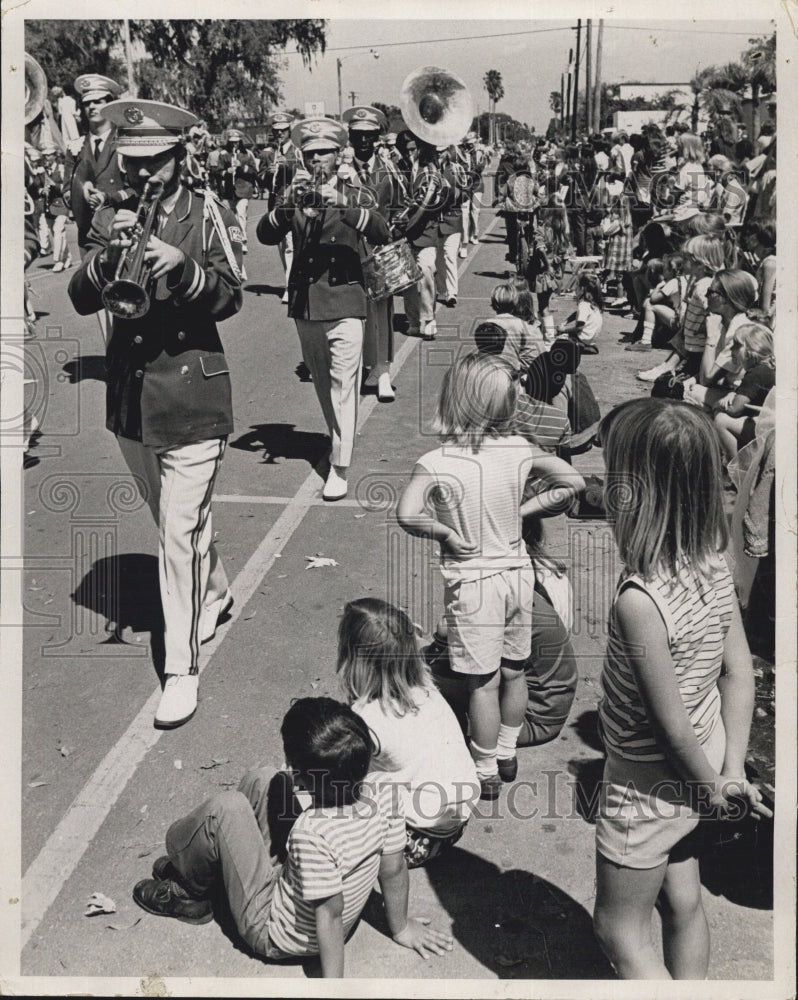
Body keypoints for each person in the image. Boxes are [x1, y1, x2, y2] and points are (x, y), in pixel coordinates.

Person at [68, 99, 243, 728]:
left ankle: (181, 670)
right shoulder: (114, 211)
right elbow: (79, 293)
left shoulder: (206, 214)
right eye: (133, 163)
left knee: (175, 535)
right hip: (131, 399)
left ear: (180, 154)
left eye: (156, 163)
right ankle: (217, 591)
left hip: (192, 396)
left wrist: (187, 269)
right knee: (176, 523)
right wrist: (104, 254)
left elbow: (232, 295)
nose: (143, 177)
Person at [591, 398, 770, 979]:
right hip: (711, 754)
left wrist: (711, 788)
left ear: (634, 494)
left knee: (619, 928)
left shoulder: (638, 602)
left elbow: (665, 723)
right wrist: (730, 773)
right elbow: (738, 672)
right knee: (682, 898)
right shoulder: (714, 560)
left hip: (648, 782)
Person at [132, 697, 453, 976]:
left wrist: (334, 989)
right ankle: (213, 867)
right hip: (305, 900)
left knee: (223, 809)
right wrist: (400, 927)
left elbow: (329, 914)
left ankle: (190, 890)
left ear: (301, 778)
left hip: (273, 930)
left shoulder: (311, 833)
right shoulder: (386, 790)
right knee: (265, 779)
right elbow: (393, 869)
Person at [396, 352, 583, 799]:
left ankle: (484, 769)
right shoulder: (519, 449)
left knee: (482, 681)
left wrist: (441, 531)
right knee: (514, 671)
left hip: (474, 582)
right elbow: (571, 482)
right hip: (517, 573)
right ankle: (505, 750)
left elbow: (406, 514)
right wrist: (524, 510)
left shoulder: (437, 461)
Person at [256, 117, 390, 501]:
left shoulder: (355, 190)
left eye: (324, 154)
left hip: (346, 299)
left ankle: (340, 466)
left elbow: (381, 230)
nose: (317, 162)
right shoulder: (294, 190)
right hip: (306, 303)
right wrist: (287, 206)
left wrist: (343, 204)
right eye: (311, 154)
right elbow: (266, 235)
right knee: (322, 382)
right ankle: (337, 439)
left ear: (337, 155)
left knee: (343, 386)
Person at [336, 598, 480, 868]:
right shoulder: (425, 686)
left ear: (353, 658)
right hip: (455, 820)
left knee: (332, 790)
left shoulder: (366, 717)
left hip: (416, 838)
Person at [342, 105, 403, 402]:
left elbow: (402, 204)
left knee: (382, 312)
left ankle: (383, 371)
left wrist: (396, 231)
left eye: (369, 135)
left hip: (379, 249)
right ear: (350, 138)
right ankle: (362, 368)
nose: (364, 141)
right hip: (347, 250)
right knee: (353, 313)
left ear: (378, 137)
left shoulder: (389, 169)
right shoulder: (340, 172)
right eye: (358, 135)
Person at [637, 234, 724, 382]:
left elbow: (714, 313)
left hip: (698, 347)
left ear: (700, 264)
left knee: (675, 384)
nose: (682, 262)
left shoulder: (704, 286)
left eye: (686, 258)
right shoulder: (699, 282)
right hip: (693, 345)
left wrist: (705, 327)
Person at [64, 74, 130, 259]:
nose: (91, 107)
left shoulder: (125, 142)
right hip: (87, 231)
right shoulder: (75, 147)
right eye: (87, 103)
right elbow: (66, 190)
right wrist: (79, 193)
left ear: (109, 105)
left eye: (98, 101)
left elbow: (136, 189)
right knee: (89, 284)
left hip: (119, 227)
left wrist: (108, 198)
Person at [712, 324, 776, 462]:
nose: (732, 349)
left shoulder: (755, 374)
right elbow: (746, 393)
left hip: (767, 430)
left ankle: (733, 468)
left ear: (752, 349)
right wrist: (732, 394)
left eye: (737, 345)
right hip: (772, 423)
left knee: (721, 420)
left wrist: (717, 405)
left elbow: (735, 410)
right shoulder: (767, 368)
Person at [259, 112, 304, 303]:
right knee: (282, 246)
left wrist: (289, 165)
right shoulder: (269, 153)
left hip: (293, 203)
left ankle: (290, 287)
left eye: (283, 131)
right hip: (275, 203)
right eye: (276, 132)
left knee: (291, 247)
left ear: (289, 131)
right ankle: (290, 281)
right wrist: (268, 174)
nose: (279, 135)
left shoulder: (297, 151)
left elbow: (306, 172)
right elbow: (260, 178)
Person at [218, 129, 259, 255]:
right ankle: (233, 241)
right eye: (232, 142)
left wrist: (241, 166)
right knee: (229, 216)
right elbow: (218, 172)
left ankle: (243, 241)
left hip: (244, 189)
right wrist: (226, 172)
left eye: (236, 142)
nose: (234, 145)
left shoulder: (247, 154)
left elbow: (254, 172)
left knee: (241, 213)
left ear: (240, 142)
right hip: (230, 191)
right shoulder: (224, 154)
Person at [557, 271, 603, 354]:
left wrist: (564, 329)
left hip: (583, 338)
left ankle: (580, 346)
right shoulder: (593, 302)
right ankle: (587, 346)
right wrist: (566, 321)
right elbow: (577, 314)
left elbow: (579, 327)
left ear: (582, 288)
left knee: (558, 340)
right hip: (591, 338)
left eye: (577, 286)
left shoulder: (583, 305)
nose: (575, 289)